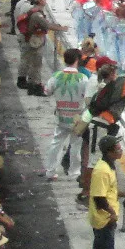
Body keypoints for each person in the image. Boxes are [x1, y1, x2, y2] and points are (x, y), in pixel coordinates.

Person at [43, 48, 93, 182]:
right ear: (78, 60)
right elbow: (88, 97)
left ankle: (50, 171)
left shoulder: (56, 76)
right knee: (76, 145)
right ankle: (74, 172)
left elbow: (47, 91)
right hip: (78, 118)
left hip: (61, 116)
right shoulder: (83, 78)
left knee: (56, 143)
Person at [89, 136, 122, 249]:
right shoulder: (102, 171)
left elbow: (108, 192)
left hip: (106, 218)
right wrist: (112, 213)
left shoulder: (109, 166)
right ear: (109, 151)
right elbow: (99, 199)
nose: (121, 150)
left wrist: (124, 194)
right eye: (117, 148)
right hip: (104, 220)